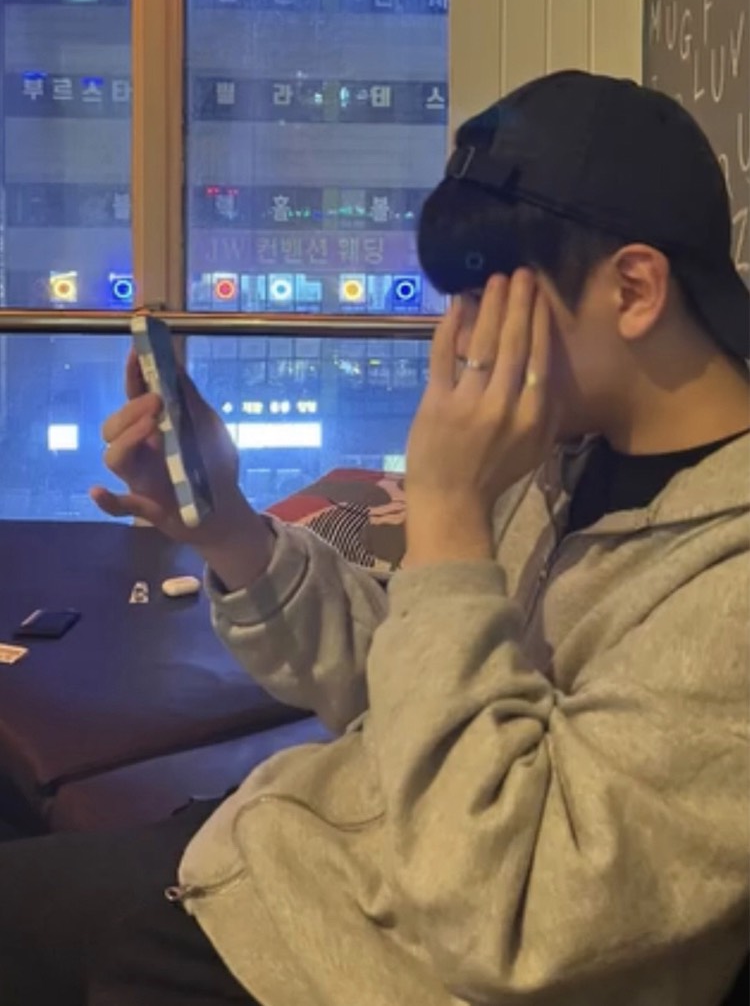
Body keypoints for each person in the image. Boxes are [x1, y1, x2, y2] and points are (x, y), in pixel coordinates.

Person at [0, 69, 748, 1006]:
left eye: (486, 299)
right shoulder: (573, 457)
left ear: (633, 288)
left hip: (342, 960)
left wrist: (448, 513)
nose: (459, 340)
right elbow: (409, 685)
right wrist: (230, 529)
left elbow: (516, 913)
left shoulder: (727, 592)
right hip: (293, 867)